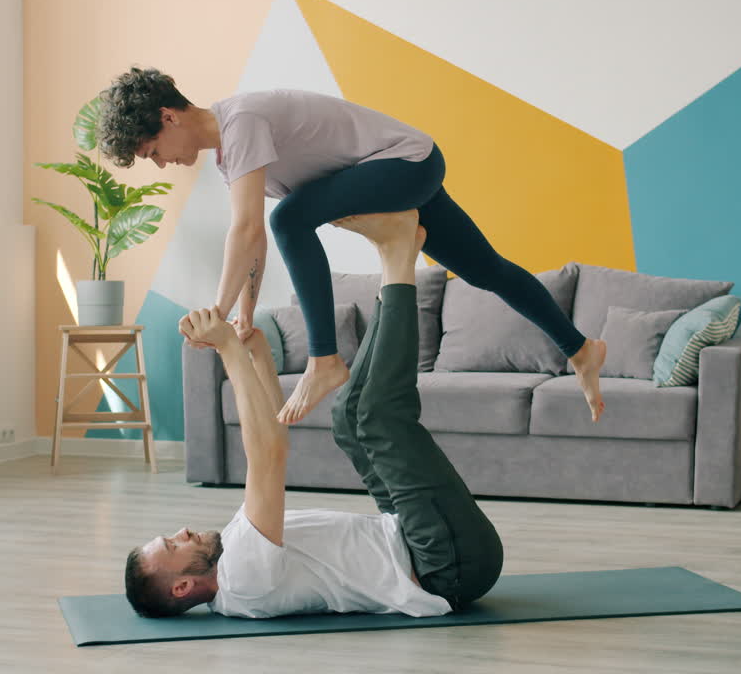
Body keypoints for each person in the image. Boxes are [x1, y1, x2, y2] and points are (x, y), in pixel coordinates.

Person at [98, 67, 607, 425]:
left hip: (405, 165)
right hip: (408, 168)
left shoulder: (241, 123)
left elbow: (249, 229)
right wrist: (243, 318)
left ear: (169, 118)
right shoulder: (231, 157)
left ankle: (325, 360)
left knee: (291, 217)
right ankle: (581, 348)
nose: (161, 163)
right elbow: (251, 241)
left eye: (152, 152)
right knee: (486, 270)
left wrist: (217, 311)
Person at [125, 210, 503, 618]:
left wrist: (258, 354)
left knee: (350, 418)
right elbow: (267, 458)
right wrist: (227, 351)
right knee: (378, 419)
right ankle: (396, 258)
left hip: (419, 540)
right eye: (172, 546)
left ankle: (399, 259)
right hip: (446, 566)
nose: (180, 533)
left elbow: (275, 436)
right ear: (182, 586)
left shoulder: (234, 559)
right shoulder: (242, 578)